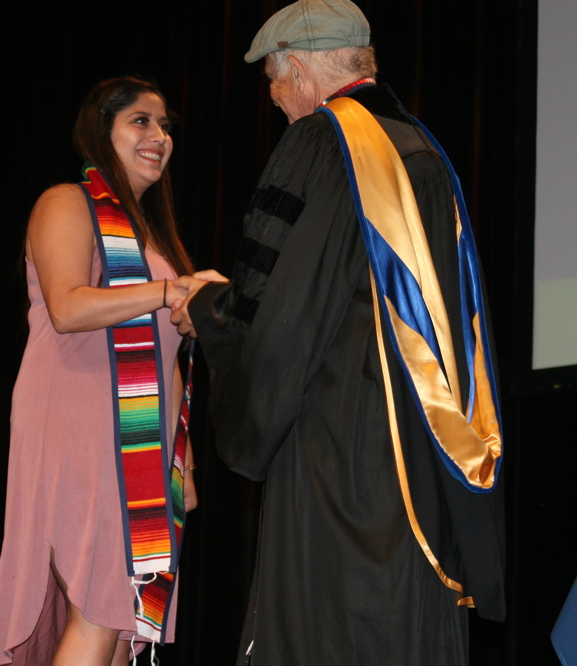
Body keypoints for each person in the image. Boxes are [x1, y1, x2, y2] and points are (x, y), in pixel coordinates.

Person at [170, 1, 505, 663]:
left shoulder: (324, 143)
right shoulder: (423, 151)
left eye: (273, 78)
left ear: (301, 69)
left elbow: (286, 314)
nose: (273, 97)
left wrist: (210, 312)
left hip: (340, 456)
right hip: (421, 464)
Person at [0, 77, 197, 666]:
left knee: (122, 623)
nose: (160, 136)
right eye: (141, 121)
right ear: (102, 130)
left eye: (166, 125)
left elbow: (168, 354)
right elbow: (69, 306)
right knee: (103, 608)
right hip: (77, 416)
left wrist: (182, 458)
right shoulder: (65, 203)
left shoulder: (158, 239)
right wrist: (168, 290)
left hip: (139, 438)